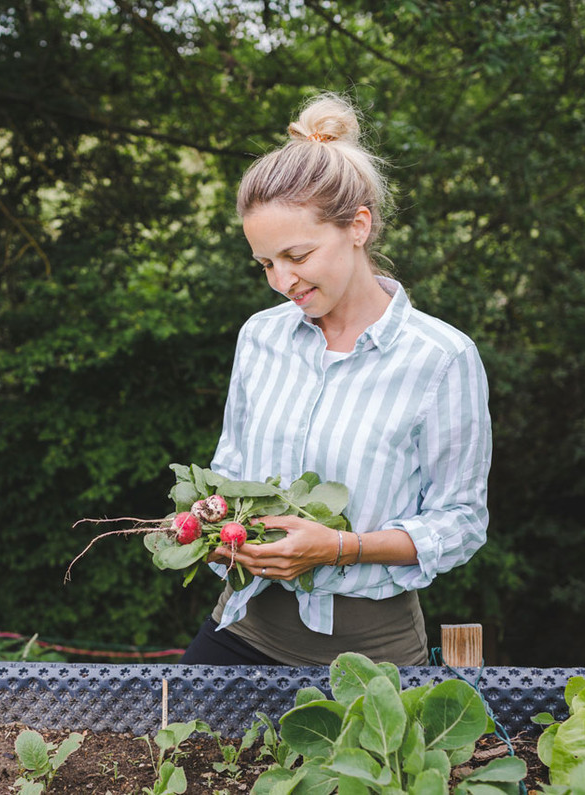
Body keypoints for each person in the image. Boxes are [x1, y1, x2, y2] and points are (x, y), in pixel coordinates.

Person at [179, 92, 492, 667]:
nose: (282, 281)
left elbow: (462, 522)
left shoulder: (442, 357)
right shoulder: (261, 337)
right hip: (240, 630)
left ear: (358, 227)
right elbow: (227, 468)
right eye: (266, 263)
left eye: (297, 254)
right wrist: (213, 528)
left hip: (369, 657)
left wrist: (340, 547)